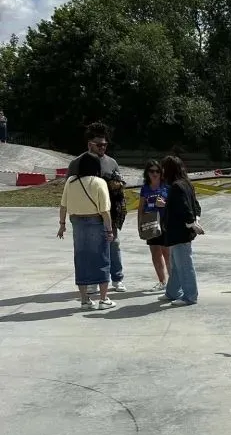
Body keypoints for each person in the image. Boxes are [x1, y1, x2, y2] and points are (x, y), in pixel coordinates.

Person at [68, 122, 126, 292]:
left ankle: (117, 278)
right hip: (87, 212)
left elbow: (120, 182)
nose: (103, 148)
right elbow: (70, 186)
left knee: (113, 244)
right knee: (90, 248)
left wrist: (117, 185)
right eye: (99, 145)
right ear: (89, 145)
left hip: (109, 211)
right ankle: (93, 281)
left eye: (105, 145)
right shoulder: (77, 162)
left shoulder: (112, 162)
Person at [57, 152, 116, 310]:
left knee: (81, 259)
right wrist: (110, 231)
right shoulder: (99, 182)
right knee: (102, 258)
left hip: (77, 223)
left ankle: (84, 300)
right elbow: (105, 211)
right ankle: (103, 299)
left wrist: (62, 225)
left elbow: (63, 206)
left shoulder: (71, 181)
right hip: (96, 222)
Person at [157, 155, 204, 306]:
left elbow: (184, 207)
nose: (162, 172)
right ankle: (172, 292)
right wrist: (195, 220)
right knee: (176, 264)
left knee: (183, 264)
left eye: (163, 168)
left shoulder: (177, 186)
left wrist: (191, 223)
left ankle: (190, 296)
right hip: (181, 232)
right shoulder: (187, 184)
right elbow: (195, 205)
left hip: (179, 232)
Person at [138, 159, 170, 291]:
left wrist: (165, 204)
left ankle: (173, 281)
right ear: (147, 173)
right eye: (152, 171)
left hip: (164, 223)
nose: (155, 173)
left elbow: (174, 205)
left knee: (167, 253)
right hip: (150, 222)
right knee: (155, 254)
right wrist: (139, 225)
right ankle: (162, 281)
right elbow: (140, 208)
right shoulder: (145, 188)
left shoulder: (166, 186)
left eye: (157, 171)